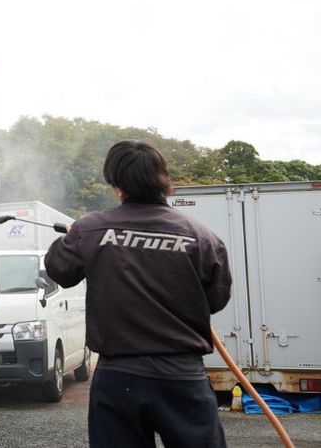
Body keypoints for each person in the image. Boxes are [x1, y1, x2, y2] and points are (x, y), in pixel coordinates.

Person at [44, 139, 232, 448]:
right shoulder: (202, 237)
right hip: (182, 377)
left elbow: (58, 270)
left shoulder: (91, 229)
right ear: (162, 180)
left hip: (119, 378)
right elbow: (216, 300)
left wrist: (75, 235)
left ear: (116, 184)